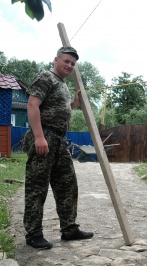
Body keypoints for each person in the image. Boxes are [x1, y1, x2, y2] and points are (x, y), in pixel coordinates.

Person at [23, 46, 94, 249]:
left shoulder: (62, 84)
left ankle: (69, 229)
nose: (70, 66)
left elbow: (56, 109)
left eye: (73, 64)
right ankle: (34, 233)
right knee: (37, 187)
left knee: (67, 185)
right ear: (56, 60)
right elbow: (32, 105)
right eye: (66, 61)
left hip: (59, 140)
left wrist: (74, 104)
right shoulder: (46, 77)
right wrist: (39, 136)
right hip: (44, 136)